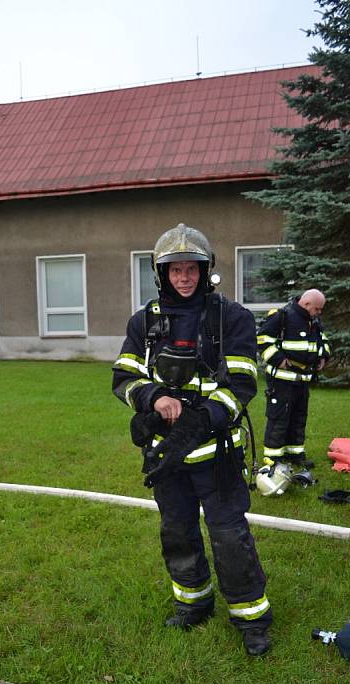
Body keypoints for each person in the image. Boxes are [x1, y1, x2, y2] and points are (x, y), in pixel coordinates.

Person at [112, 222, 272, 657]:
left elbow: (240, 383)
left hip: (216, 452)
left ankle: (251, 617)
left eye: (192, 269)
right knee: (177, 530)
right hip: (167, 457)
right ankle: (194, 603)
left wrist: (200, 421)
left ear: (206, 271)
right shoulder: (144, 321)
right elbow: (124, 375)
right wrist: (152, 397)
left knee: (227, 534)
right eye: (175, 270)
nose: (184, 277)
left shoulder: (231, 317)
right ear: (161, 274)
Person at [257, 289, 330, 468]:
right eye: (317, 309)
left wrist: (323, 356)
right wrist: (279, 359)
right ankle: (273, 457)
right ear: (306, 304)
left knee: (298, 417)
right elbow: (262, 339)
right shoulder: (282, 317)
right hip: (282, 380)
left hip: (302, 381)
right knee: (279, 418)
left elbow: (323, 340)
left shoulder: (313, 321)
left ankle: (295, 454)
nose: (319, 312)